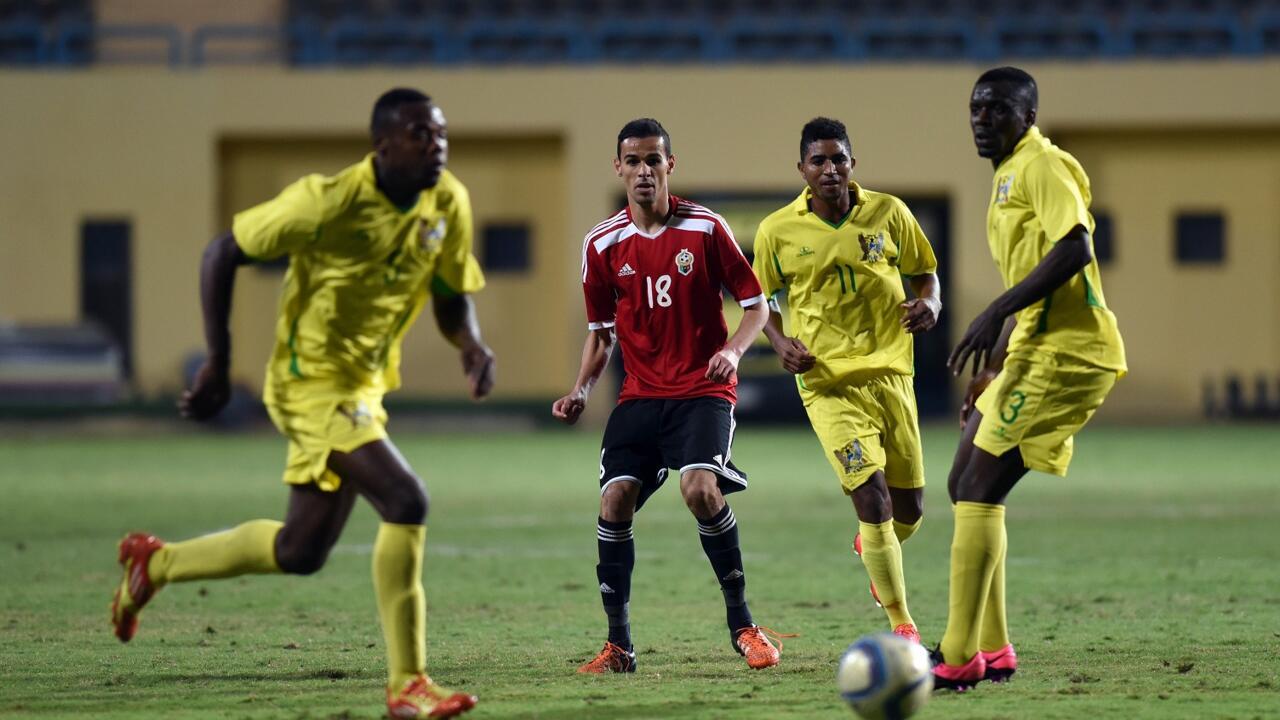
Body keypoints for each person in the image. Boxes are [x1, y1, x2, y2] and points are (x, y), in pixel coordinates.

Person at [108, 88, 494, 720]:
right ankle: (407, 685)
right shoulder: (327, 201)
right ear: (383, 144)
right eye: (422, 135)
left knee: (301, 551)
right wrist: (217, 361)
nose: (437, 146)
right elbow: (221, 252)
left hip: (363, 388)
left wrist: (471, 345)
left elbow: (450, 293)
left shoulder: (448, 201)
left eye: (442, 134)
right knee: (406, 499)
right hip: (308, 383)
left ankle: (157, 562)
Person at [553, 118, 786, 674]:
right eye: (632, 161)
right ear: (618, 169)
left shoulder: (705, 229)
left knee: (701, 489)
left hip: (704, 390)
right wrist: (580, 390)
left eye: (652, 160)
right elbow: (602, 333)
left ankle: (744, 626)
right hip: (641, 397)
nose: (642, 171)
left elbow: (757, 306)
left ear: (669, 166)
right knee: (614, 502)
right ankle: (619, 646)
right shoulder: (601, 245)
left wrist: (732, 351)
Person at [932, 67, 1127, 691]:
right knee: (964, 483)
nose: (983, 120)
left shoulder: (1042, 165)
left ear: (1029, 116)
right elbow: (1038, 274)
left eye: (998, 109)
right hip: (1035, 351)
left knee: (980, 487)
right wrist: (992, 367)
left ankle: (959, 655)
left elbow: (1076, 247)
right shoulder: (1006, 177)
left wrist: (994, 310)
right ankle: (992, 647)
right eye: (975, 108)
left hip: (1070, 353)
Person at [752, 117, 941, 645]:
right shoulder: (776, 230)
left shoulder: (889, 212)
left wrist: (930, 302)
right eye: (819, 160)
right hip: (827, 383)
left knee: (909, 513)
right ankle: (902, 625)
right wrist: (779, 340)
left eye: (839, 158)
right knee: (872, 499)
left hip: (892, 376)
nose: (830, 168)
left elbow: (925, 271)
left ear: (853, 163)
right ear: (802, 169)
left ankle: (872, 546)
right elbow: (758, 299)